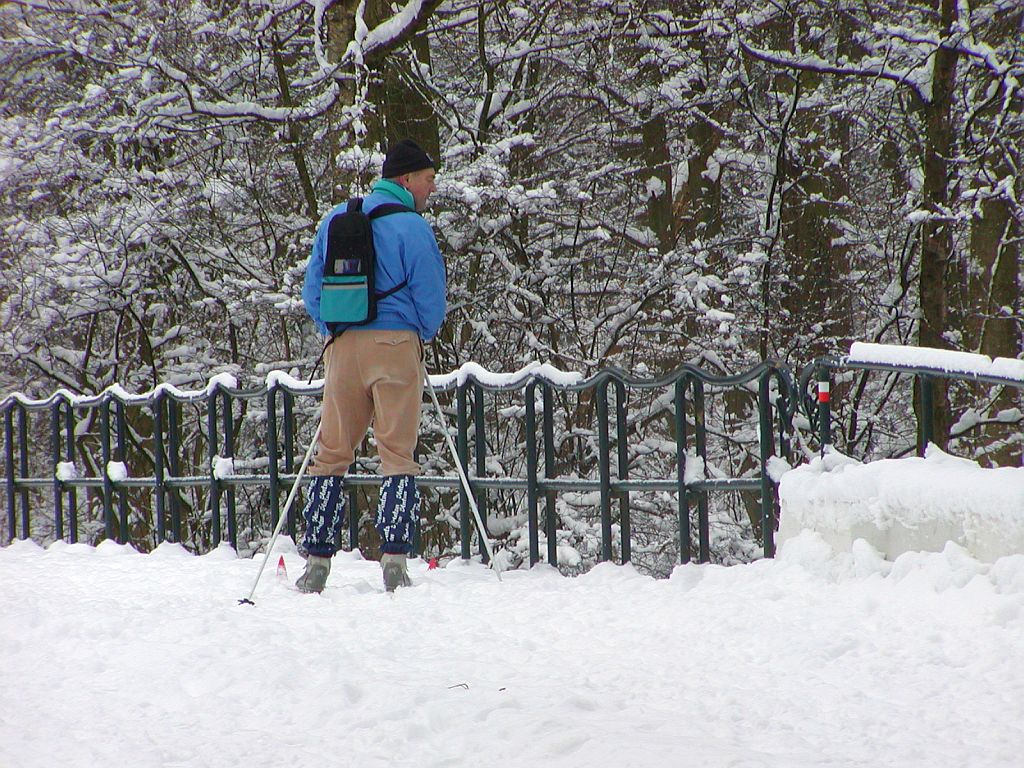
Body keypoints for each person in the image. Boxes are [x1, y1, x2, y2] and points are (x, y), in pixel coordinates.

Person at [297, 139, 446, 593]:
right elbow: (432, 301)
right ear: (406, 180)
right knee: (397, 453)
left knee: (331, 452)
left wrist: (335, 328)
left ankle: (317, 562)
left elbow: (312, 290)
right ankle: (395, 561)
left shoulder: (337, 220)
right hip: (395, 344)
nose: (431, 187)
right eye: (426, 178)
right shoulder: (413, 228)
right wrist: (414, 332)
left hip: (343, 346)